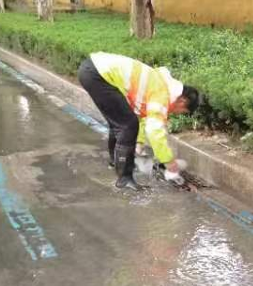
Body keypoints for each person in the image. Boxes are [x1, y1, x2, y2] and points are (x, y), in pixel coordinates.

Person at [78, 52, 200, 191]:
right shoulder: (162, 94)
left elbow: (143, 117)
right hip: (98, 75)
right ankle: (124, 179)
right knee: (127, 125)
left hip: (93, 70)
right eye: (182, 111)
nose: (177, 114)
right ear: (182, 100)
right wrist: (169, 162)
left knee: (120, 122)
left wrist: (139, 144)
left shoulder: (160, 85)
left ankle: (116, 161)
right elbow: (154, 132)